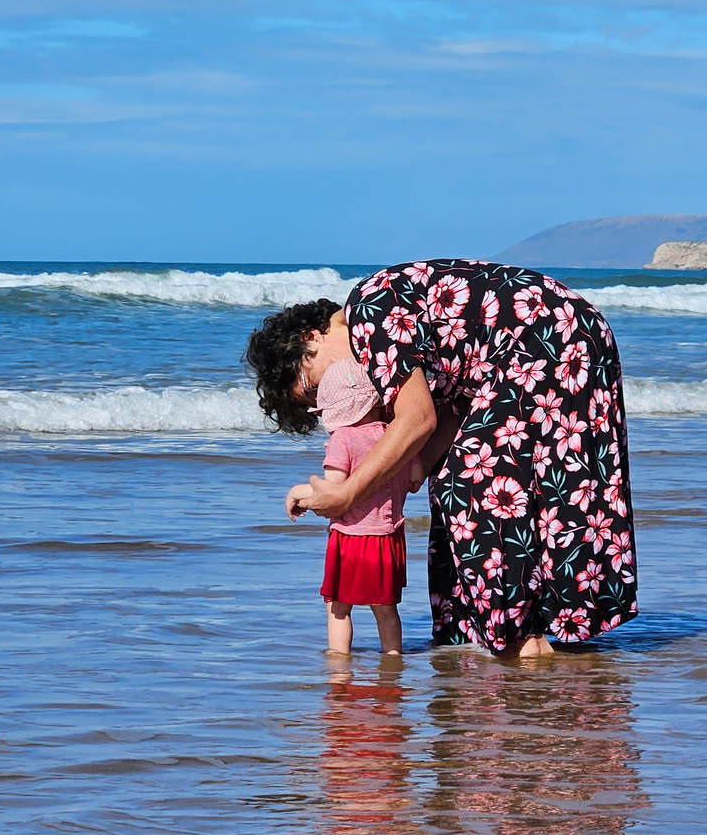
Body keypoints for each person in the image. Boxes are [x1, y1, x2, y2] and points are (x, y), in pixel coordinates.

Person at [245, 261, 637, 657]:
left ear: (309, 337)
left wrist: (348, 495)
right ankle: (488, 634)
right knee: (452, 478)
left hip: (553, 335)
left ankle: (522, 640)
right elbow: (455, 404)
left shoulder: (366, 316)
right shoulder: (371, 328)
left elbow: (418, 419)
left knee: (468, 480)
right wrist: (415, 469)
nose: (325, 395)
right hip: (558, 333)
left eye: (311, 386)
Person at [286, 357, 415, 656]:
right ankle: (393, 660)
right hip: (390, 537)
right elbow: (415, 478)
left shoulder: (343, 438)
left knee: (338, 607)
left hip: (352, 538)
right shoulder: (395, 435)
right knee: (385, 608)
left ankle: (339, 664)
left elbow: (333, 488)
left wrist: (297, 492)